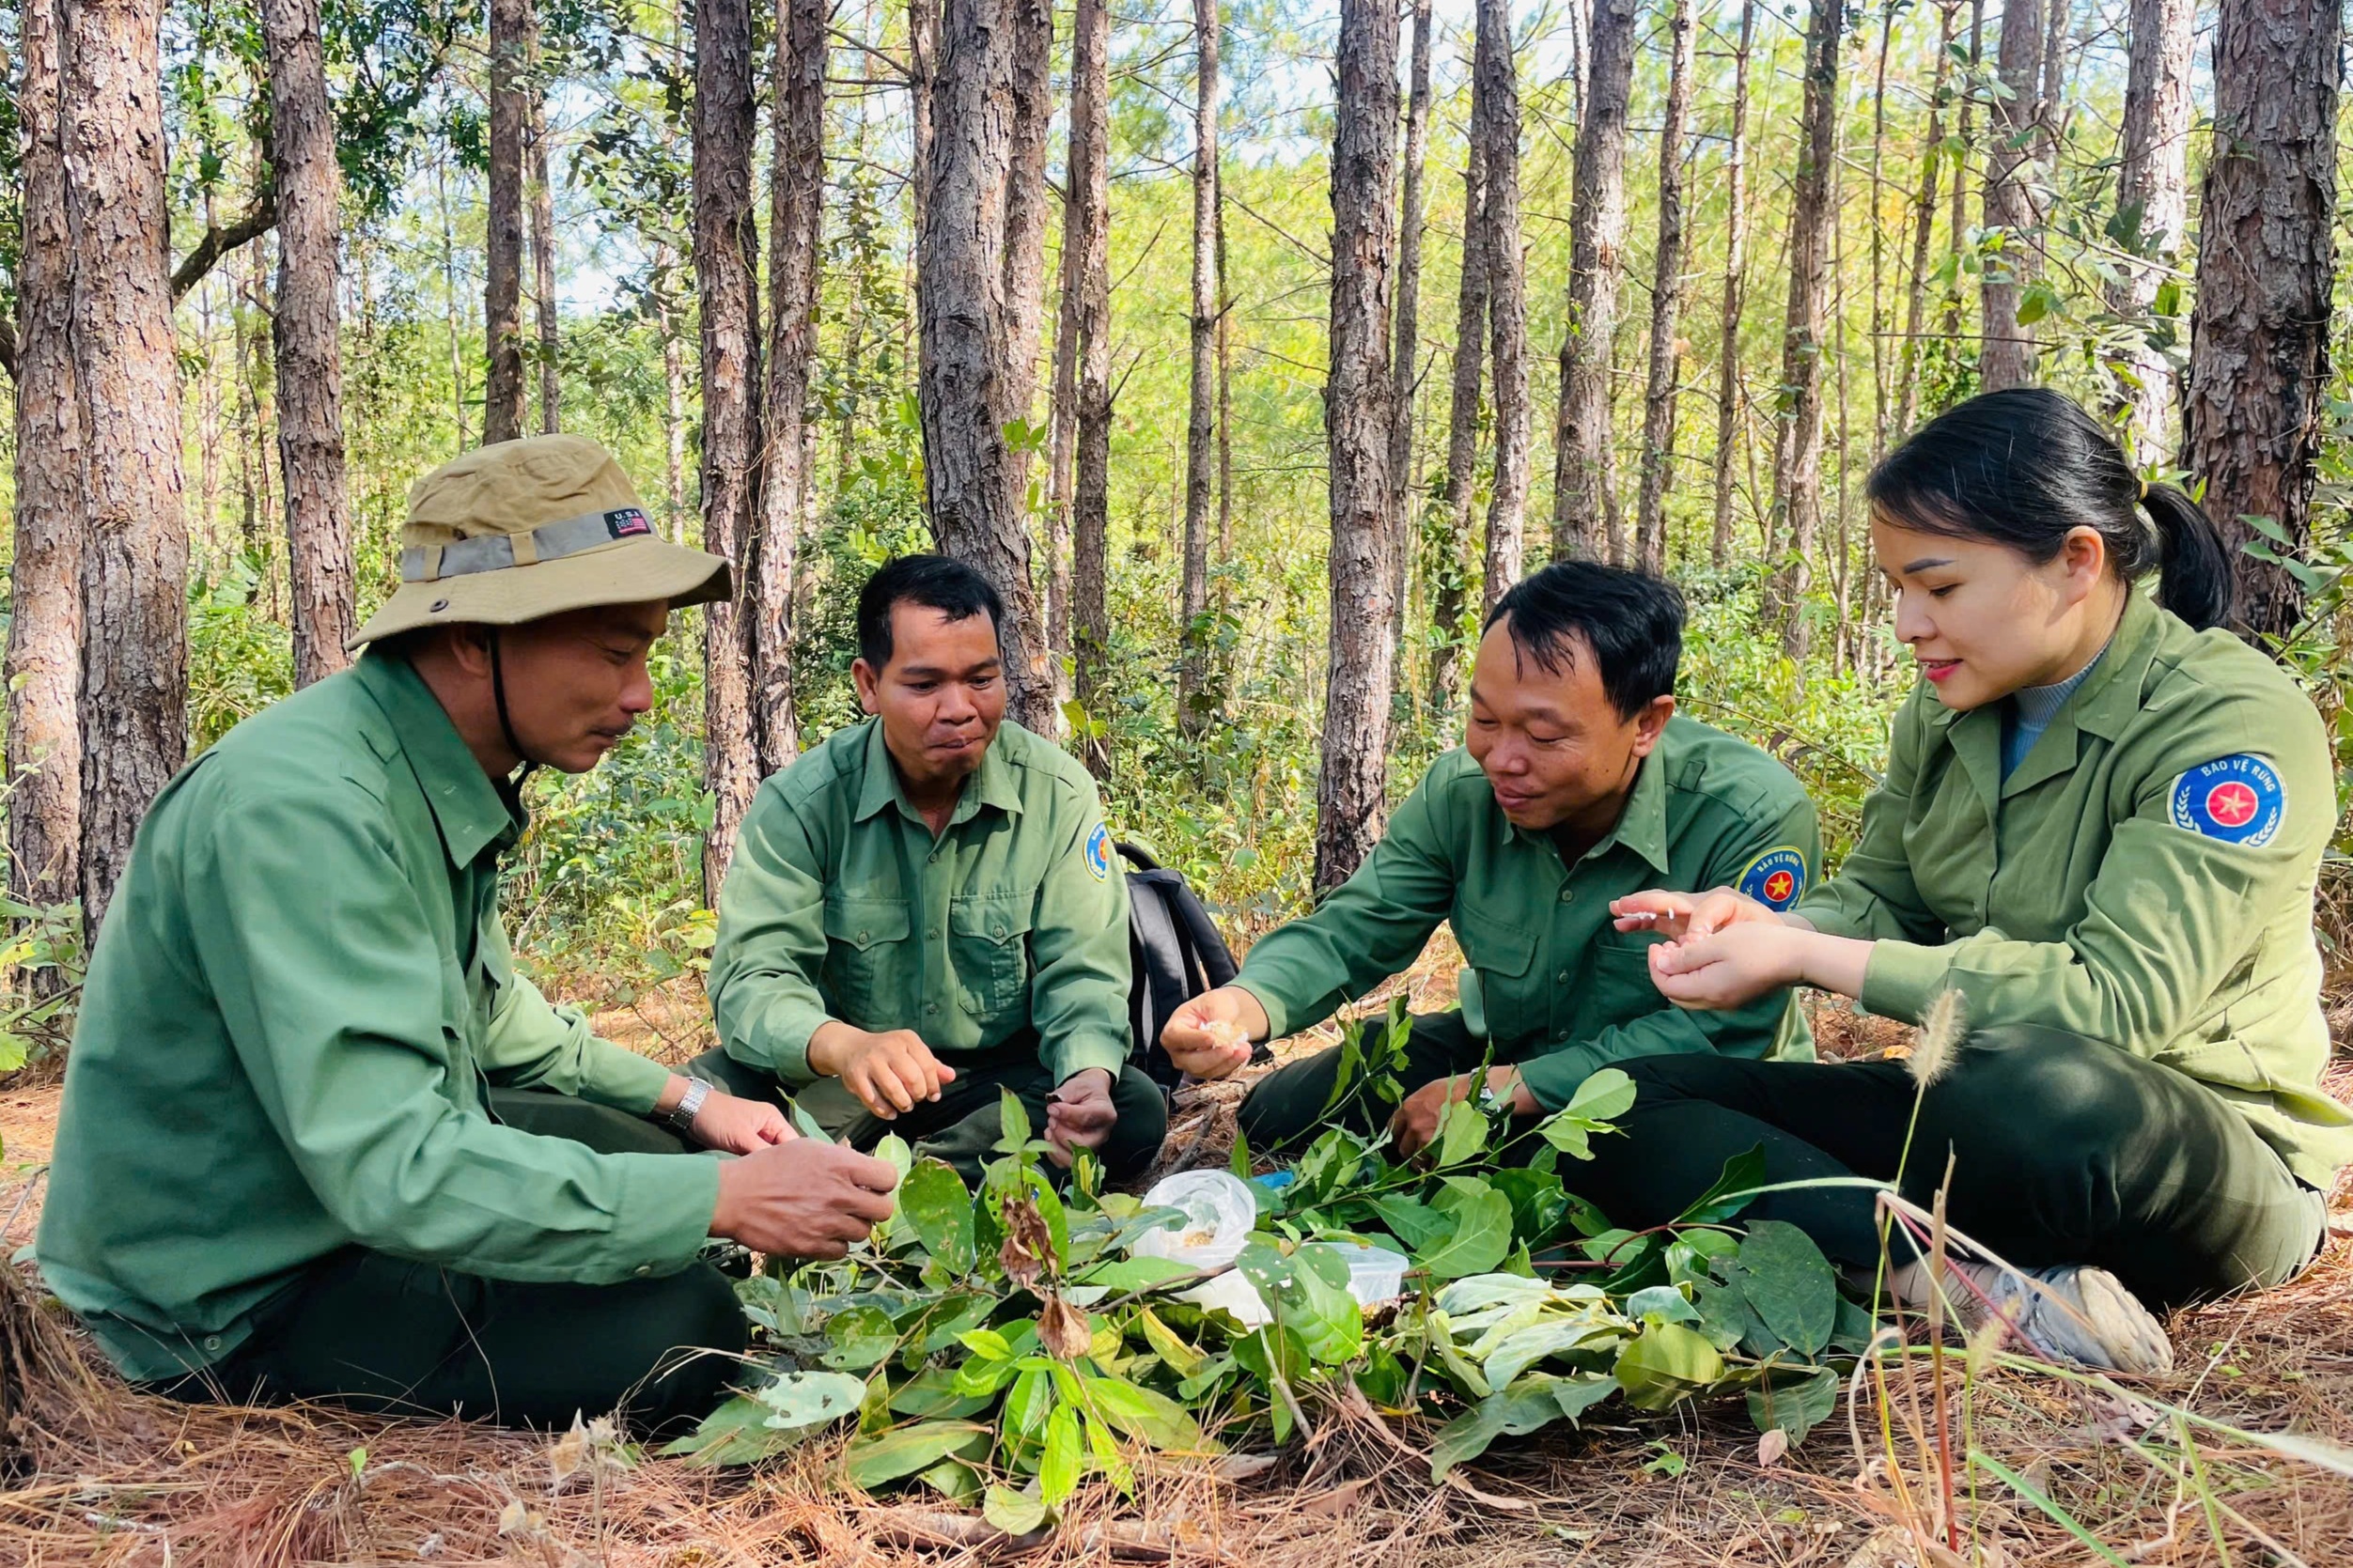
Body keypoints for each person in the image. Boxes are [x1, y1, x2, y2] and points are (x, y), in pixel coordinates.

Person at [36, 436, 900, 1435]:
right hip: (227, 1293)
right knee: (684, 1328)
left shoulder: (424, 764)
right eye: (615, 653)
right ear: (470, 638)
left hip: (328, 1201)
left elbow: (495, 1023)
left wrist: (696, 1107)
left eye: (647, 655)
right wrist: (721, 1195)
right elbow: (393, 1165)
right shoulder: (303, 809)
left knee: (650, 1165)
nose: (640, 696)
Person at [1600, 388, 2353, 1374]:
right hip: (1981, 1109)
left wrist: (1807, 955)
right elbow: (1876, 891)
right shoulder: (1950, 709)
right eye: (1896, 589)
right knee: (1624, 1098)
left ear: (2075, 561)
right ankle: (1960, 1285)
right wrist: (1754, 921)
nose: (1909, 623)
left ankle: (1901, 1239)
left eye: (1939, 586)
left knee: (2020, 1082)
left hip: (2181, 1148)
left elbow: (2117, 1005)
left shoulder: (2224, 722)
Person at [1160, 561, 1822, 1157]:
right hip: (1509, 1043)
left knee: (1619, 1154)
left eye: (1542, 733)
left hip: (1677, 1077)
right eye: (1484, 720)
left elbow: (1718, 1032)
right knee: (1281, 1112)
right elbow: (1354, 929)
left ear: (1646, 723)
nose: (1502, 758)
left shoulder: (1747, 813)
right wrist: (1242, 1005)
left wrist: (1521, 1090)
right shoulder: (1463, 793)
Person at [693, 555, 1167, 1184]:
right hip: (836, 1077)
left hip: (995, 1084)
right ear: (869, 684)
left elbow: (1082, 972)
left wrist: (1086, 1079)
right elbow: (755, 980)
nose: (960, 708)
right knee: (687, 1102)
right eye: (924, 685)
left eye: (981, 678)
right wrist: (847, 1045)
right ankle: (906, 1180)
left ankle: (860, 1183)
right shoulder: (802, 804)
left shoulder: (1057, 794)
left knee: (1132, 1109)